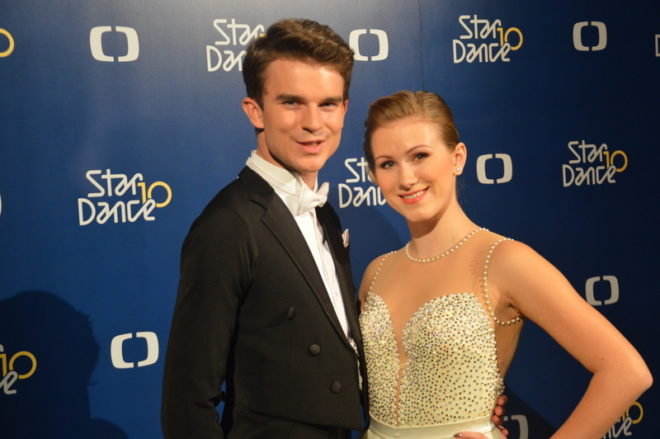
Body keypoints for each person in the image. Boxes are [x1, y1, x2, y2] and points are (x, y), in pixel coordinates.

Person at [358, 90, 652, 439]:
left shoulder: (503, 260)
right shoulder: (376, 272)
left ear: (457, 158)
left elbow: (626, 371)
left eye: (419, 155)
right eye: (387, 164)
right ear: (373, 174)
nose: (406, 178)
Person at [161, 19, 366, 439]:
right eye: (292, 103)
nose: (313, 123)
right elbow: (187, 403)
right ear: (255, 110)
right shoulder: (228, 225)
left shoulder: (326, 215)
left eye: (328, 104)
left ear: (345, 109)